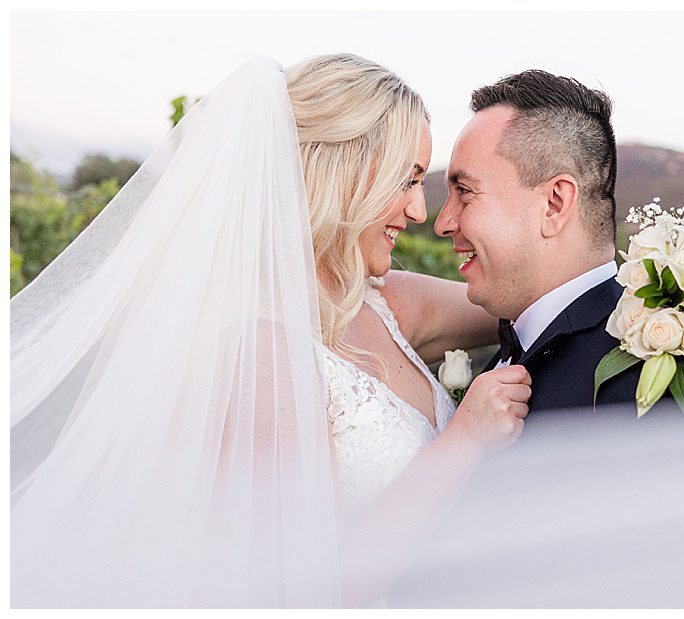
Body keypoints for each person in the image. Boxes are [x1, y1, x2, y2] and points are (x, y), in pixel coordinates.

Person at [10, 54, 530, 608]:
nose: (420, 210)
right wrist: (460, 445)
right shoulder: (257, 354)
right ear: (343, 173)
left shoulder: (383, 301)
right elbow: (305, 588)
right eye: (406, 180)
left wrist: (634, 287)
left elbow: (530, 297)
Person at [435, 69, 680, 426]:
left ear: (554, 203)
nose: (443, 222)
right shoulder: (508, 356)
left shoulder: (640, 388)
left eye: (464, 192)